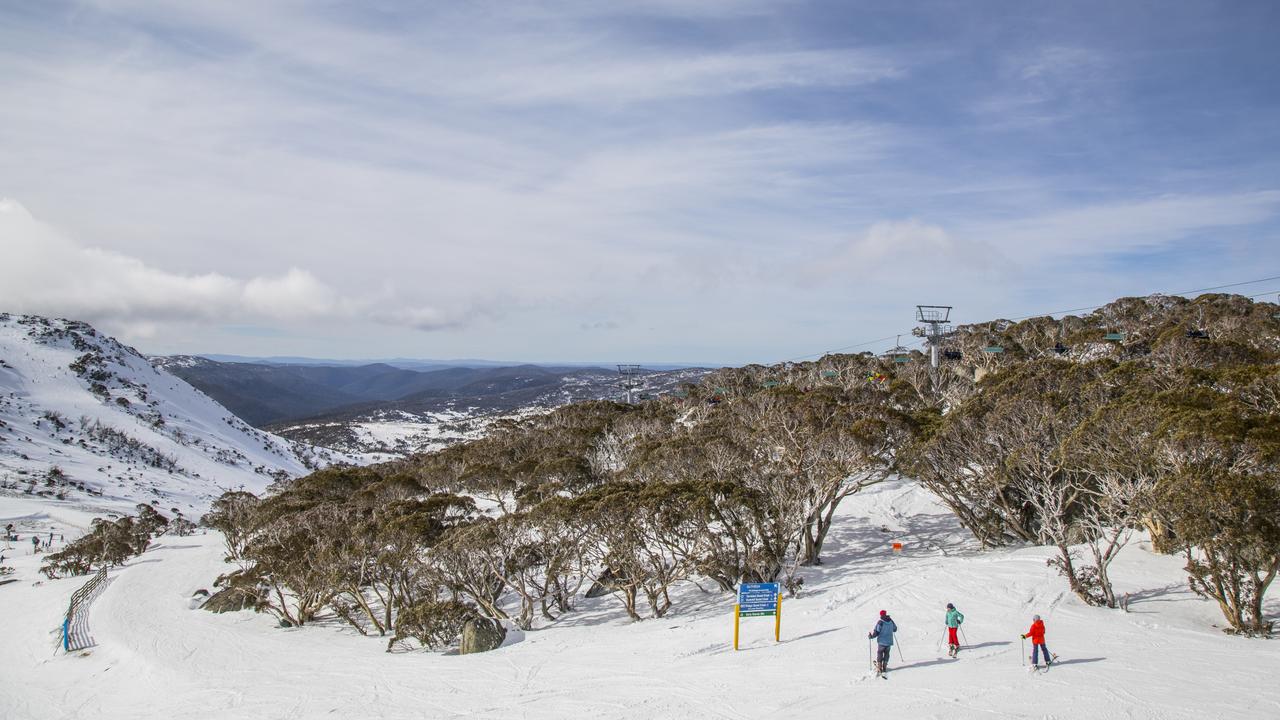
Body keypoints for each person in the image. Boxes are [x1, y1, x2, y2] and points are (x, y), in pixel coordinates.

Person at [868, 610, 898, 674]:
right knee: (887, 653)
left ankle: (879, 665)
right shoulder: (891, 621)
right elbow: (895, 629)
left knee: (880, 653)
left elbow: (877, 632)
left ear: (881, 615)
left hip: (882, 641)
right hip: (889, 641)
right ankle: (884, 665)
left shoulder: (880, 622)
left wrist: (871, 636)